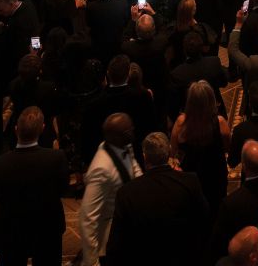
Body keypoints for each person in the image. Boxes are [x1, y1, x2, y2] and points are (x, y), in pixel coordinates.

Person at [105, 131, 210, 266]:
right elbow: (204, 218)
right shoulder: (190, 181)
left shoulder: (127, 192)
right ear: (169, 152)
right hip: (183, 258)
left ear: (144, 156)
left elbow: (116, 243)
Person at [0, 106, 69, 266]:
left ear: (15, 129)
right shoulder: (57, 158)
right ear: (42, 129)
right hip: (47, 230)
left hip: (10, 232)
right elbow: (63, 190)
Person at [79, 112, 143, 266]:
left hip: (127, 228)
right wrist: (91, 261)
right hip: (111, 238)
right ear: (120, 136)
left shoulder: (124, 145)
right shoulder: (101, 170)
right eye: (130, 131)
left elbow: (135, 169)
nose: (133, 132)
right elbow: (88, 218)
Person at [170, 79, 230, 214]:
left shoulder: (180, 123)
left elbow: (173, 153)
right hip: (216, 176)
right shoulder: (220, 123)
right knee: (217, 209)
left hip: (191, 179)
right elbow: (227, 148)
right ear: (211, 99)